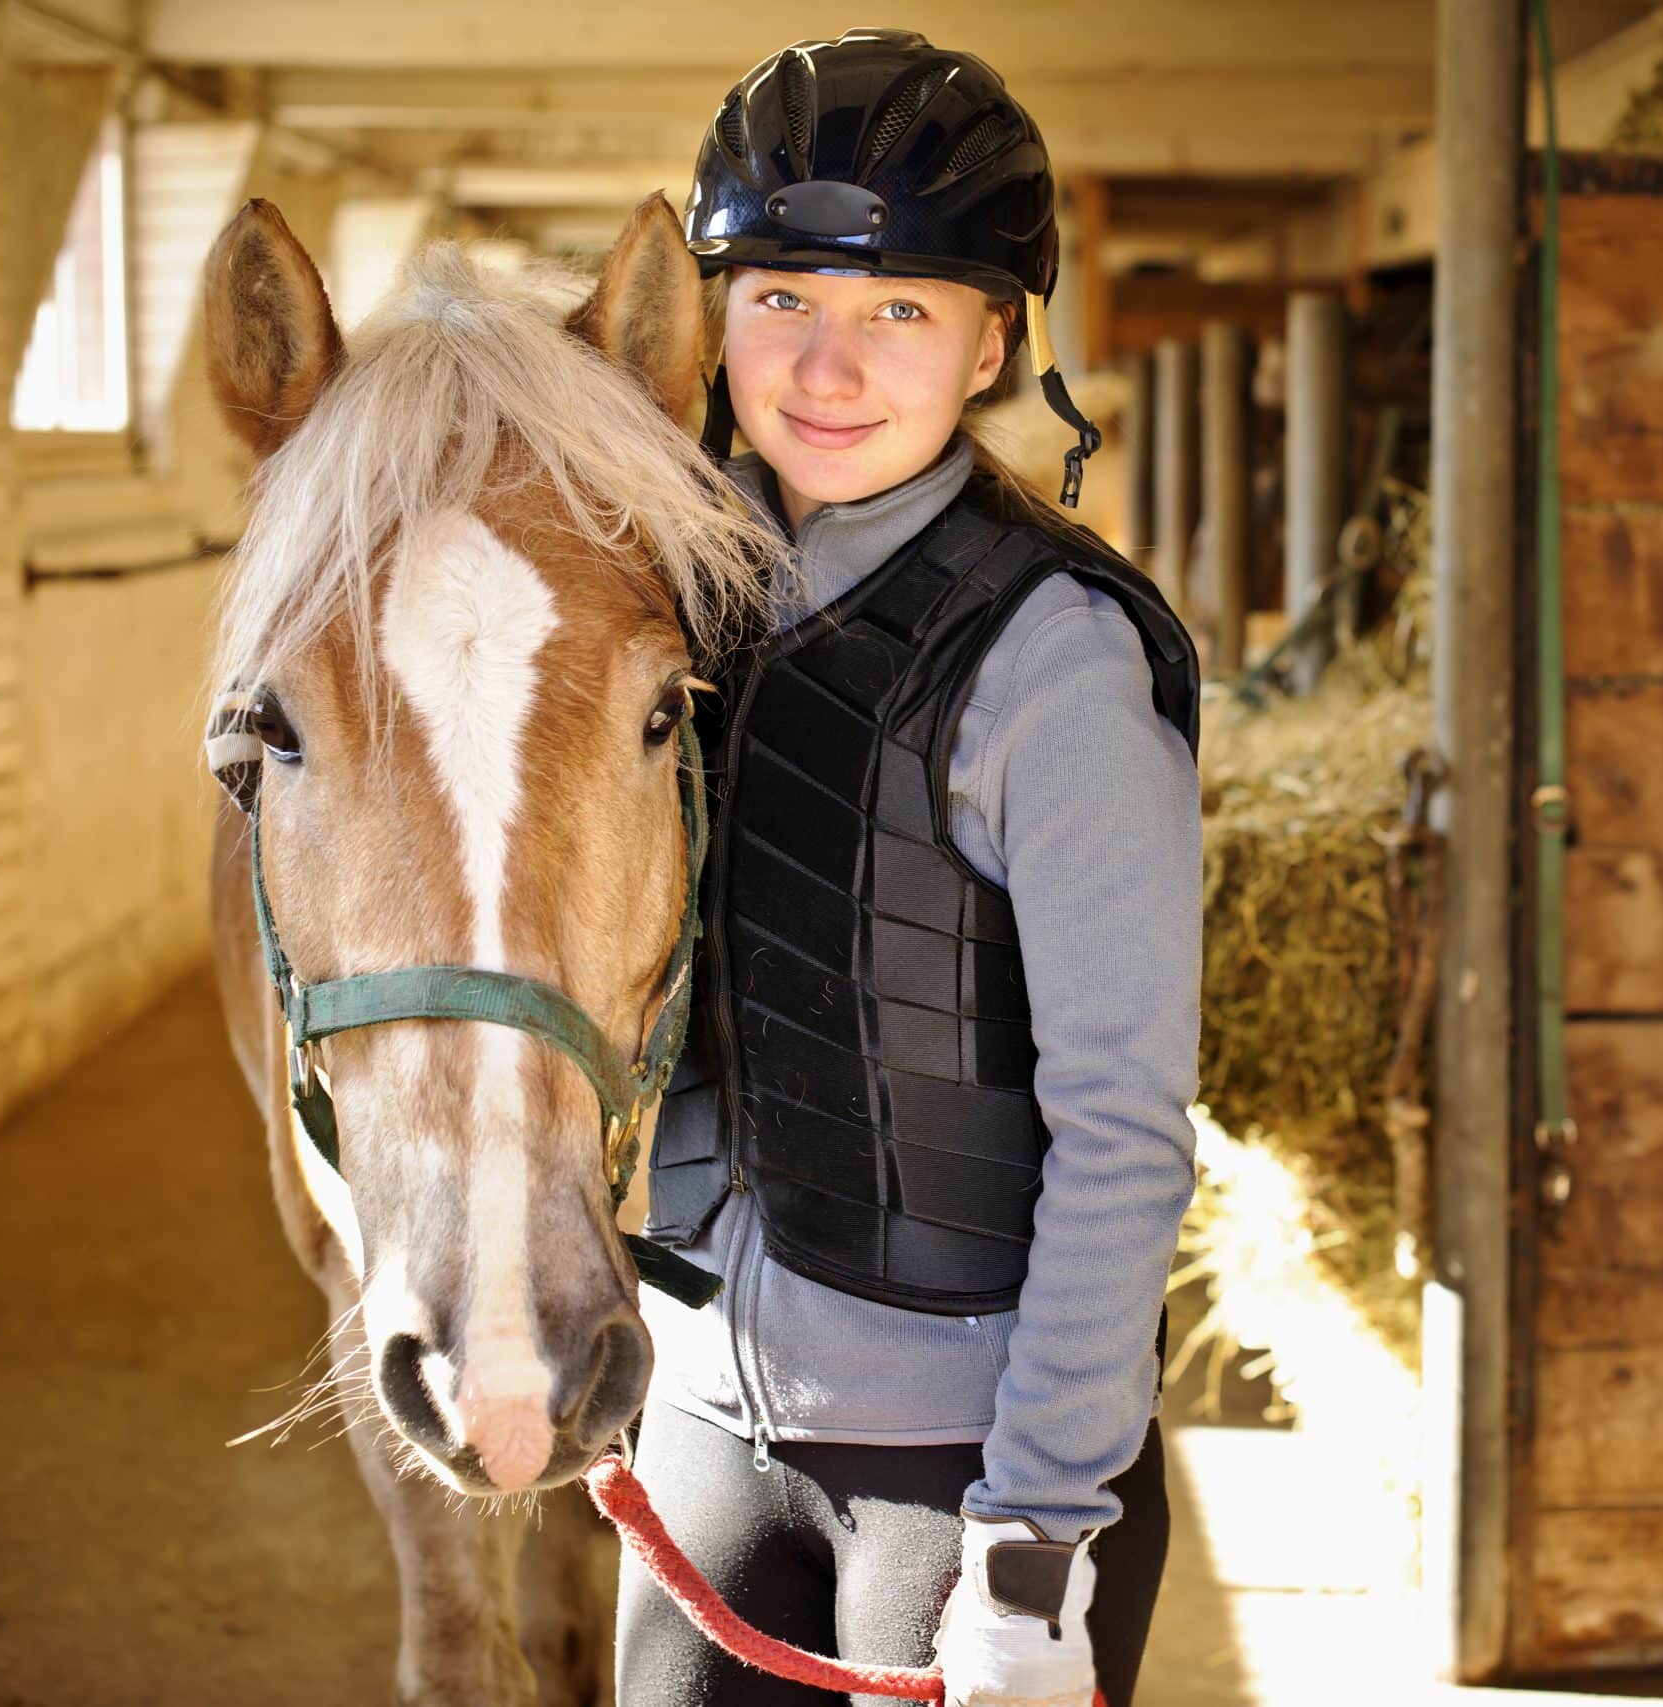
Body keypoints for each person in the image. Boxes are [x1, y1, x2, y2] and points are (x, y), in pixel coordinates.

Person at [617, 29, 1203, 1707]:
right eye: (782, 296)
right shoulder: (665, 615)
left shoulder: (1056, 669)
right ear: (714, 314)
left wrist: (1032, 1551)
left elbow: (1122, 1127)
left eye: (900, 311)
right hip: (706, 1436)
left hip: (968, 1473)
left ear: (993, 342)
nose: (826, 364)